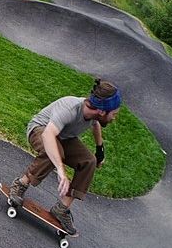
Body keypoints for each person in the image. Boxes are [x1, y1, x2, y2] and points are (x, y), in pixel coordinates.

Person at [7, 79, 122, 236]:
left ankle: (61, 209)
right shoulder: (70, 107)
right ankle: (20, 184)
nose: (114, 118)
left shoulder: (95, 115)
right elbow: (48, 135)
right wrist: (61, 170)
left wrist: (99, 150)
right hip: (40, 129)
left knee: (89, 162)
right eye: (114, 114)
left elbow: (95, 125)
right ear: (102, 111)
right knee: (55, 153)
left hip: (64, 137)